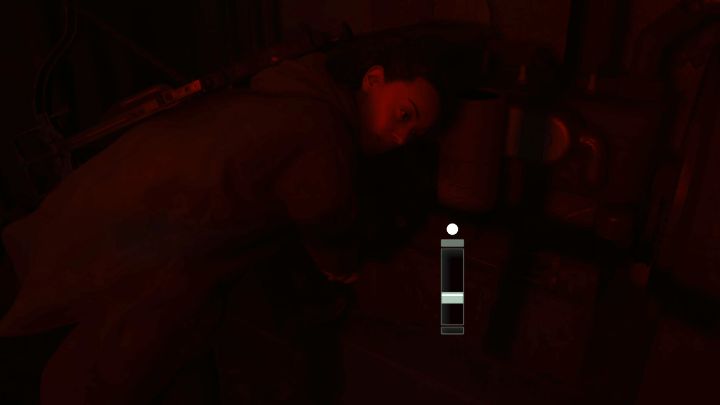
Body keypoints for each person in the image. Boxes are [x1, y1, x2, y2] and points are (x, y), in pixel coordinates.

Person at [0, 35, 456, 404]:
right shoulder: (320, 134)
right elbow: (330, 227)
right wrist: (346, 266)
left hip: (105, 206)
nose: (401, 138)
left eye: (413, 133)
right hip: (151, 250)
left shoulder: (285, 89)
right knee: (112, 365)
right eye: (403, 115)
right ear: (373, 79)